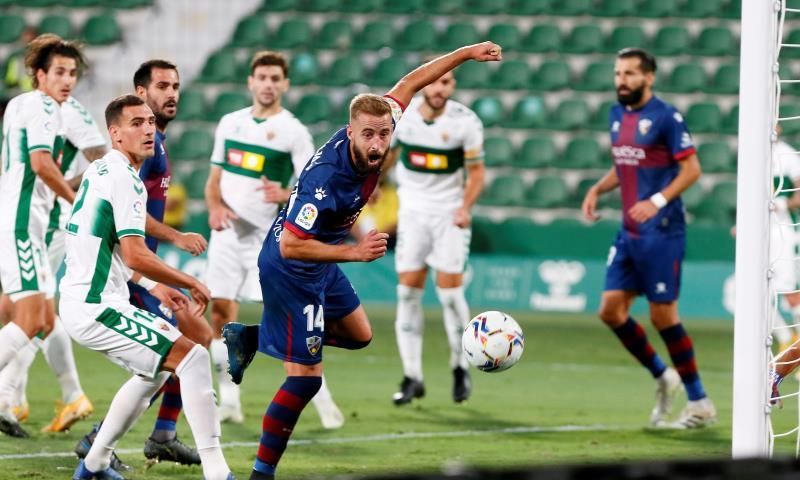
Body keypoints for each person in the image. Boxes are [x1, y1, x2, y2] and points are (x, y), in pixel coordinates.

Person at [222, 41, 502, 480]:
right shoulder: (326, 178)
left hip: (322, 262)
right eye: (368, 134)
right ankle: (261, 474)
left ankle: (253, 338)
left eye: (384, 133)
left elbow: (413, 80)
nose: (377, 142)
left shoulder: (385, 119)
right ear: (350, 131)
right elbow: (290, 246)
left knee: (359, 335)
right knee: (305, 379)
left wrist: (466, 54)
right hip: (291, 269)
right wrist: (353, 251)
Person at [63, 94, 234, 480]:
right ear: (115, 134)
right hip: (95, 305)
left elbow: (104, 244)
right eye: (136, 123)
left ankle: (94, 465)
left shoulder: (101, 170)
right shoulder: (126, 179)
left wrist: (154, 286)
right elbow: (137, 254)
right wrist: (189, 280)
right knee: (191, 357)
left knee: (154, 372)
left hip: (87, 298)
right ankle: (217, 471)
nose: (148, 130)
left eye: (150, 123)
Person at [205, 50, 344, 428]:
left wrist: (283, 194)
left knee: (289, 325)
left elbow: (315, 189)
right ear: (251, 82)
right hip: (227, 237)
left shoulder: (293, 131)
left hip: (269, 243)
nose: (267, 84)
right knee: (219, 315)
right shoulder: (229, 123)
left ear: (285, 84)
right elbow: (214, 180)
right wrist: (215, 206)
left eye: (274, 78)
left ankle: (322, 398)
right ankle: (230, 399)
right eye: (261, 77)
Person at [581, 48, 715, 429]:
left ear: (649, 77)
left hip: (662, 230)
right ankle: (663, 376)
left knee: (663, 316)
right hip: (629, 231)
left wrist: (656, 202)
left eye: (630, 74)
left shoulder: (666, 117)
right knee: (609, 310)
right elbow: (624, 164)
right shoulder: (615, 114)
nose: (622, 80)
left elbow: (692, 170)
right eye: (618, 73)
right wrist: (597, 189)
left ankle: (700, 400)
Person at [0, 34, 86, 437]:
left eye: (72, 73)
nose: (67, 80)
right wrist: (76, 198)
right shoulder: (43, 107)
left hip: (21, 220)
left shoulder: (20, 103)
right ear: (38, 74)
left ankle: (27, 398)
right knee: (32, 317)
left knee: (40, 317)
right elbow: (41, 163)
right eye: (59, 72)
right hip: (24, 224)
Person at [386, 68, 485, 405]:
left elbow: (476, 172)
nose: (440, 88)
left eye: (446, 82)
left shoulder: (465, 122)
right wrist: (372, 185)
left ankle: (460, 366)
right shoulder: (404, 117)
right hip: (412, 214)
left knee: (449, 295)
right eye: (435, 82)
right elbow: (388, 154)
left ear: (452, 85)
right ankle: (412, 376)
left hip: (448, 215)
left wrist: (465, 207)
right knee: (406, 294)